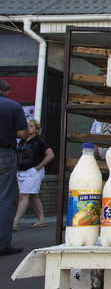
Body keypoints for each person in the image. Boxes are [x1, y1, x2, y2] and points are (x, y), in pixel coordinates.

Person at [0, 79, 28, 256]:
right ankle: (3, 244)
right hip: (4, 154)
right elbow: (22, 133)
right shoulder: (12, 106)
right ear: (6, 91)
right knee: (4, 198)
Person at [13, 118, 54, 230]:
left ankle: (15, 222)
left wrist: (38, 167)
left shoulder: (39, 140)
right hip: (22, 171)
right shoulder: (22, 141)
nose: (28, 128)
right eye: (26, 126)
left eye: (31, 126)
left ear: (36, 129)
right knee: (33, 196)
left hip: (32, 171)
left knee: (23, 196)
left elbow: (50, 155)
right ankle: (41, 219)